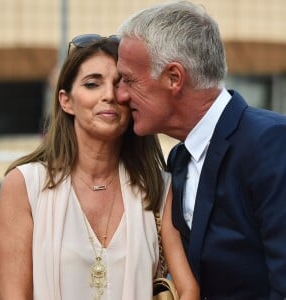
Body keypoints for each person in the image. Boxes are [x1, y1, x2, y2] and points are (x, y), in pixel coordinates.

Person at [0, 34, 199, 300]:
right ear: (66, 101)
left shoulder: (159, 187)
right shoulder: (24, 185)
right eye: (92, 84)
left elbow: (188, 290)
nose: (109, 96)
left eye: (120, 85)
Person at [116, 1, 286, 299]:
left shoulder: (272, 142)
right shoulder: (179, 159)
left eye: (129, 80)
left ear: (174, 78)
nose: (119, 94)